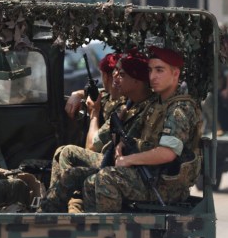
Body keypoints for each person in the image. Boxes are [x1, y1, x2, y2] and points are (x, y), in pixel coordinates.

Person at [82, 46, 202, 211]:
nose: (153, 76)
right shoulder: (155, 104)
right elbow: (130, 135)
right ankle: (93, 230)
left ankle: (110, 234)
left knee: (105, 178)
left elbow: (167, 152)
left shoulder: (180, 108)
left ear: (175, 73)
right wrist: (120, 147)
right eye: (150, 70)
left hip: (165, 185)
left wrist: (129, 160)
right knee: (91, 182)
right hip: (147, 174)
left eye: (159, 70)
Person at [38, 50, 155, 213]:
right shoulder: (127, 104)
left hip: (129, 168)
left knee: (72, 168)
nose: (115, 78)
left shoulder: (147, 108)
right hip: (117, 162)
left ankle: (52, 214)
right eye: (114, 73)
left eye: (121, 74)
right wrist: (79, 93)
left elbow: (92, 146)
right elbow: (103, 93)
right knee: (64, 153)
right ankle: (62, 209)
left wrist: (94, 113)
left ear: (136, 80)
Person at [65, 52, 125, 150]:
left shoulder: (122, 107)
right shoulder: (108, 95)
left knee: (67, 151)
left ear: (105, 76)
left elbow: (91, 147)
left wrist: (94, 113)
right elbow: (100, 92)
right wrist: (77, 94)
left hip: (106, 154)